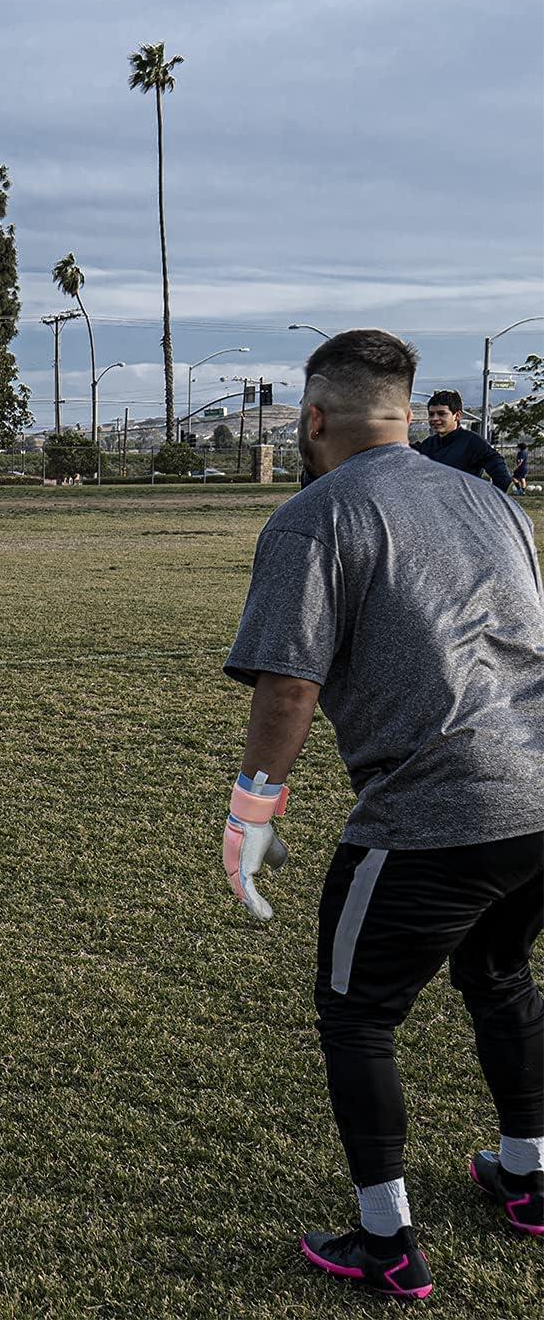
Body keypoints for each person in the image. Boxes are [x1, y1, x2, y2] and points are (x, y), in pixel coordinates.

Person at [221, 329, 543, 1300]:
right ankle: (527, 1176)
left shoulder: (313, 514)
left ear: (314, 417)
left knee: (356, 1013)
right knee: (498, 972)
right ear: (406, 413)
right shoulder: (493, 499)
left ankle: (385, 1241)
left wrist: (250, 812)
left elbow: (287, 686)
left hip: (438, 806)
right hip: (539, 796)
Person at [413, 390, 511, 490]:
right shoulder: (428, 444)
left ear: (457, 415)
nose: (435, 418)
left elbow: (503, 478)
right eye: (431, 414)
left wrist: (485, 498)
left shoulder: (473, 443)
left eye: (441, 414)